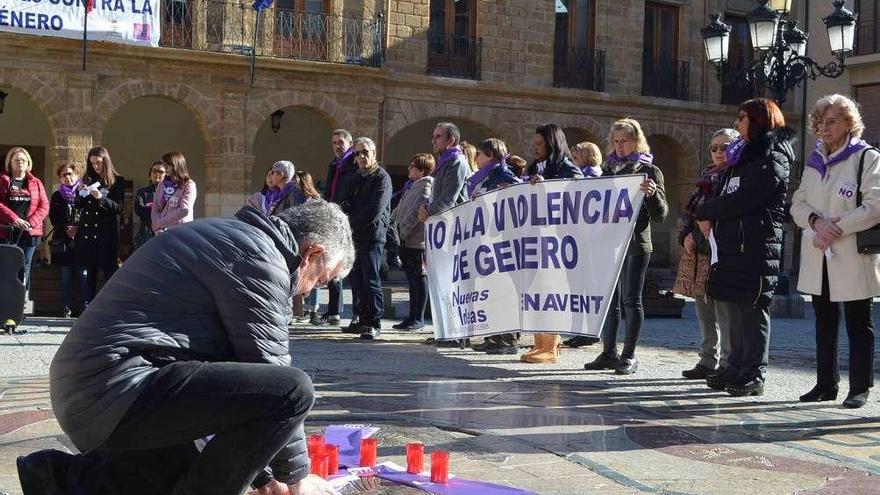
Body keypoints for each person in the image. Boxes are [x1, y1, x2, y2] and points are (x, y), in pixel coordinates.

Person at [17, 200, 353, 495]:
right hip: (116, 391)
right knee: (293, 391)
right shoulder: (259, 257)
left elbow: (235, 392)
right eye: (320, 281)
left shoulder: (233, 237)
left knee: (178, 477)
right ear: (312, 254)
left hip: (91, 392)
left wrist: (262, 475)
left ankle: (56, 478)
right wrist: (297, 479)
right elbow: (272, 373)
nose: (308, 292)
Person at [695, 98, 793, 397]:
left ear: (760, 120)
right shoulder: (741, 159)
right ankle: (736, 366)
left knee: (753, 310)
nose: (738, 124)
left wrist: (707, 210)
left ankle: (754, 373)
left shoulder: (772, 157)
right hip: (732, 248)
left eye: (743, 117)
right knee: (735, 310)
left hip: (757, 248)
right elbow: (728, 194)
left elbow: (745, 199)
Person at [791, 94, 879, 409]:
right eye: (820, 122)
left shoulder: (866, 158)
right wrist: (816, 222)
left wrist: (833, 228)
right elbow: (798, 204)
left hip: (852, 253)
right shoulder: (814, 160)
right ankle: (826, 384)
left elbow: (875, 206)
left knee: (859, 324)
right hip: (819, 253)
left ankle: (860, 388)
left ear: (848, 124)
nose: (824, 128)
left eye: (832, 121)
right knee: (824, 321)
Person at [584, 118, 667, 374]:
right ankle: (609, 352)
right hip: (610, 245)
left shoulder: (649, 171)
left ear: (636, 141)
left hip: (636, 244)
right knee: (610, 300)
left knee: (632, 300)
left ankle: (629, 355)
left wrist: (651, 195)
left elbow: (661, 214)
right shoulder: (608, 170)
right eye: (616, 141)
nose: (620, 146)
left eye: (625, 141)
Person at [672, 128, 739, 379]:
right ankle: (707, 360)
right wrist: (686, 234)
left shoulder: (735, 176)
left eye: (725, 147)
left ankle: (726, 362)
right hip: (700, 253)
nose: (719, 152)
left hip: (723, 253)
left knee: (724, 312)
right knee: (703, 310)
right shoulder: (706, 178)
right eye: (714, 148)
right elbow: (692, 213)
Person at [520, 124, 584, 364]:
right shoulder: (535, 167)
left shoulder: (568, 168)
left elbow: (578, 191)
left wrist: (546, 184)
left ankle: (551, 344)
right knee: (536, 289)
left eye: (539, 144)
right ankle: (539, 342)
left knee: (551, 290)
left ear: (551, 143)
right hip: (535, 237)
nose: (534, 148)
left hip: (556, 240)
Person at [465, 138, 522, 355]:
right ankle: (493, 336)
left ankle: (508, 340)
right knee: (492, 290)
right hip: (486, 240)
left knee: (505, 290)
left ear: (490, 155)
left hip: (502, 239)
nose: (476, 157)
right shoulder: (483, 176)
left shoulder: (502, 173)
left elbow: (519, 190)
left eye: (479, 153)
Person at [343, 137, 392, 340]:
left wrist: (351, 222)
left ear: (373, 153)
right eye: (357, 153)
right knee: (357, 280)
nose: (361, 157)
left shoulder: (382, 177)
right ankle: (361, 319)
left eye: (365, 152)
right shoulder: (356, 177)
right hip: (354, 235)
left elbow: (375, 209)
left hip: (372, 236)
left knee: (372, 279)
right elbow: (345, 201)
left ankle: (373, 322)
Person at [315, 129, 359, 329]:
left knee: (356, 270)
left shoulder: (354, 164)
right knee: (333, 264)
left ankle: (358, 314)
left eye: (341, 142)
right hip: (333, 218)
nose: (337, 146)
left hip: (348, 218)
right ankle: (334, 311)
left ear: (350, 143)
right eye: (334, 142)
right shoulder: (334, 164)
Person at [390, 153, 435, 331]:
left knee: (418, 280)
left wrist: (401, 233)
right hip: (405, 240)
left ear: (422, 170)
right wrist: (391, 223)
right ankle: (411, 317)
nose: (408, 168)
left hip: (415, 242)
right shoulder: (411, 186)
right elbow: (400, 209)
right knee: (411, 280)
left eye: (412, 166)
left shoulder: (424, 188)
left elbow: (414, 215)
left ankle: (418, 318)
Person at [76, 146, 125, 306]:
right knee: (88, 272)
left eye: (98, 162)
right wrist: (81, 192)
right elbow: (78, 205)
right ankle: (87, 305)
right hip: (88, 232)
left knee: (108, 271)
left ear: (106, 161)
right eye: (93, 163)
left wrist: (101, 198)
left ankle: (108, 306)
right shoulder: (88, 179)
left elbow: (118, 208)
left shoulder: (117, 181)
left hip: (105, 233)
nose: (96, 166)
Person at [0, 146, 49, 293]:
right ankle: (6, 304)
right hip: (7, 231)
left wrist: (31, 222)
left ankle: (21, 304)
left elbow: (44, 205)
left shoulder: (36, 182)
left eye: (23, 159)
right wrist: (14, 219)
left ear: (28, 162)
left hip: (29, 233)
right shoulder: (3, 180)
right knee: (7, 267)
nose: (20, 162)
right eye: (16, 160)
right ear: (10, 163)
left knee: (24, 267)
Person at [49, 163, 84, 318]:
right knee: (67, 275)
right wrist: (66, 228)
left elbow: (89, 215)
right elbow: (54, 217)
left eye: (70, 173)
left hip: (83, 239)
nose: (67, 177)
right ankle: (67, 307)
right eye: (64, 175)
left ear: (76, 175)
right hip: (64, 240)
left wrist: (78, 229)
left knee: (84, 274)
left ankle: (85, 306)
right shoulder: (57, 196)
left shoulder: (84, 193)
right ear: (60, 178)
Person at [151, 151, 197, 233]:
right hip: (161, 232)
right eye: (164, 165)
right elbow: (155, 207)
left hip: (180, 232)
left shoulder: (189, 185)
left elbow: (184, 210)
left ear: (176, 165)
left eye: (168, 165)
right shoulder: (161, 184)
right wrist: (156, 225)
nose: (165, 168)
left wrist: (161, 223)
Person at [133, 161, 167, 250]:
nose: (157, 174)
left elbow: (170, 211)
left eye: (160, 172)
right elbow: (139, 209)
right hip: (146, 232)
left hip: (165, 233)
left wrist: (150, 207)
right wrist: (158, 210)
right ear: (150, 173)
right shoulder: (143, 192)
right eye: (154, 171)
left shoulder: (169, 192)